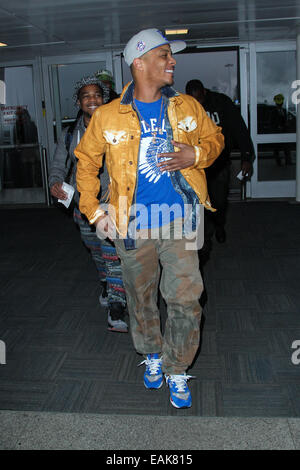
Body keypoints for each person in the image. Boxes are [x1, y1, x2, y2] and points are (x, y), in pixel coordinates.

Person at [75, 29, 224, 409]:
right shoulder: (107, 116)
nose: (172, 62)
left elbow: (216, 138)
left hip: (181, 219)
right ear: (139, 63)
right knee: (141, 298)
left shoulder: (187, 106)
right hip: (131, 221)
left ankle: (177, 367)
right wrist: (94, 212)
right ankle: (152, 353)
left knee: (186, 299)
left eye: (170, 56)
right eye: (163, 55)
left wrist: (197, 155)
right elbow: (86, 164)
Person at [49, 75, 128, 333]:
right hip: (82, 204)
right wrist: (55, 182)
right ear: (79, 102)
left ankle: (116, 307)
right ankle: (106, 282)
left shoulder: (117, 127)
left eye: (96, 95)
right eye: (86, 96)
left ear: (104, 99)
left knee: (112, 253)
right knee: (95, 250)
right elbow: (59, 165)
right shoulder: (70, 133)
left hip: (111, 203)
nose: (92, 99)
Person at [185, 79, 254, 250]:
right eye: (194, 101)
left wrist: (246, 156)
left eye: (199, 100)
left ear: (204, 92)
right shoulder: (185, 106)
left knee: (219, 200)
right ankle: (205, 236)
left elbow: (239, 129)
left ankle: (219, 225)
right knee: (199, 201)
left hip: (219, 163)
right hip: (196, 165)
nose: (197, 104)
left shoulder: (221, 102)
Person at [271, 93, 293, 166]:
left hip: (284, 132)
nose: (280, 104)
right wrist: (277, 127)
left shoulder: (284, 111)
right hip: (277, 133)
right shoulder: (273, 112)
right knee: (276, 148)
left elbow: (288, 119)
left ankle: (288, 161)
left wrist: (287, 124)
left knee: (286, 148)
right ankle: (278, 162)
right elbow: (271, 122)